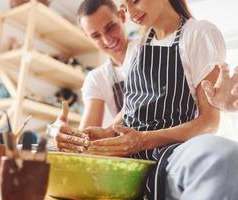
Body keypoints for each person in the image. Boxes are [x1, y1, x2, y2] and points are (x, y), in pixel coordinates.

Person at [56, 0, 238, 199]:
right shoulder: (135, 48)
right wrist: (106, 132)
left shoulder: (198, 33)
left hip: (173, 154)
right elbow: (131, 107)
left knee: (222, 157)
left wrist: (142, 141)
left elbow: (208, 123)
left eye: (135, 1)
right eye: (125, 6)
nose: (132, 13)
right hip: (130, 164)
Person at [52, 0, 132, 152]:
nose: (107, 40)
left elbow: (141, 102)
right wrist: (62, 135)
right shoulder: (97, 78)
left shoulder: (151, 52)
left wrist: (109, 131)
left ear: (122, 16)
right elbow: (85, 139)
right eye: (96, 36)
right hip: (128, 152)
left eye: (110, 27)